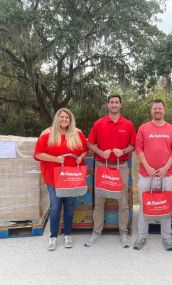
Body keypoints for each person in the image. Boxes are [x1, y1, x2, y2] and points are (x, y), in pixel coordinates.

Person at [85, 94, 136, 248]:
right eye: (111, 102)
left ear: (121, 105)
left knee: (122, 201)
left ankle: (123, 233)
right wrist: (101, 153)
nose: (114, 105)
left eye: (116, 102)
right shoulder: (99, 123)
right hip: (102, 165)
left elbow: (133, 145)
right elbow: (90, 144)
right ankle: (96, 232)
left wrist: (124, 150)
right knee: (99, 201)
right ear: (107, 105)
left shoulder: (128, 124)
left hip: (121, 166)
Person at [34, 108, 88, 251]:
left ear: (71, 120)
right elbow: (38, 154)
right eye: (62, 117)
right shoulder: (47, 134)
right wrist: (55, 159)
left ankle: (68, 235)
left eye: (67, 117)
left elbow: (85, 149)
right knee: (55, 207)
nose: (64, 120)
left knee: (69, 208)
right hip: (54, 179)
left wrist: (81, 157)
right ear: (57, 118)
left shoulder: (78, 133)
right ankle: (53, 237)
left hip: (71, 179)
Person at [133, 99, 172, 251]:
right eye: (155, 109)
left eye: (160, 108)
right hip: (146, 174)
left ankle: (167, 237)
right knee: (144, 205)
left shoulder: (171, 129)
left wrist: (166, 167)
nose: (157, 111)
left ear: (164, 110)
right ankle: (142, 236)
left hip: (166, 175)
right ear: (151, 111)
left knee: (165, 206)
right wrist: (148, 167)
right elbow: (138, 148)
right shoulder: (143, 128)